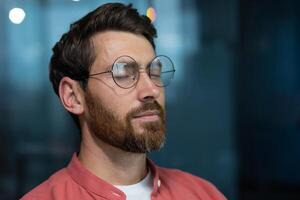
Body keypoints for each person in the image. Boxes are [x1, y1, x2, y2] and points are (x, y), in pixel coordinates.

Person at [21, 3, 226, 200]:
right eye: (123, 73)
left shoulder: (204, 194)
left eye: (154, 72)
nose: (151, 90)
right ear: (73, 97)